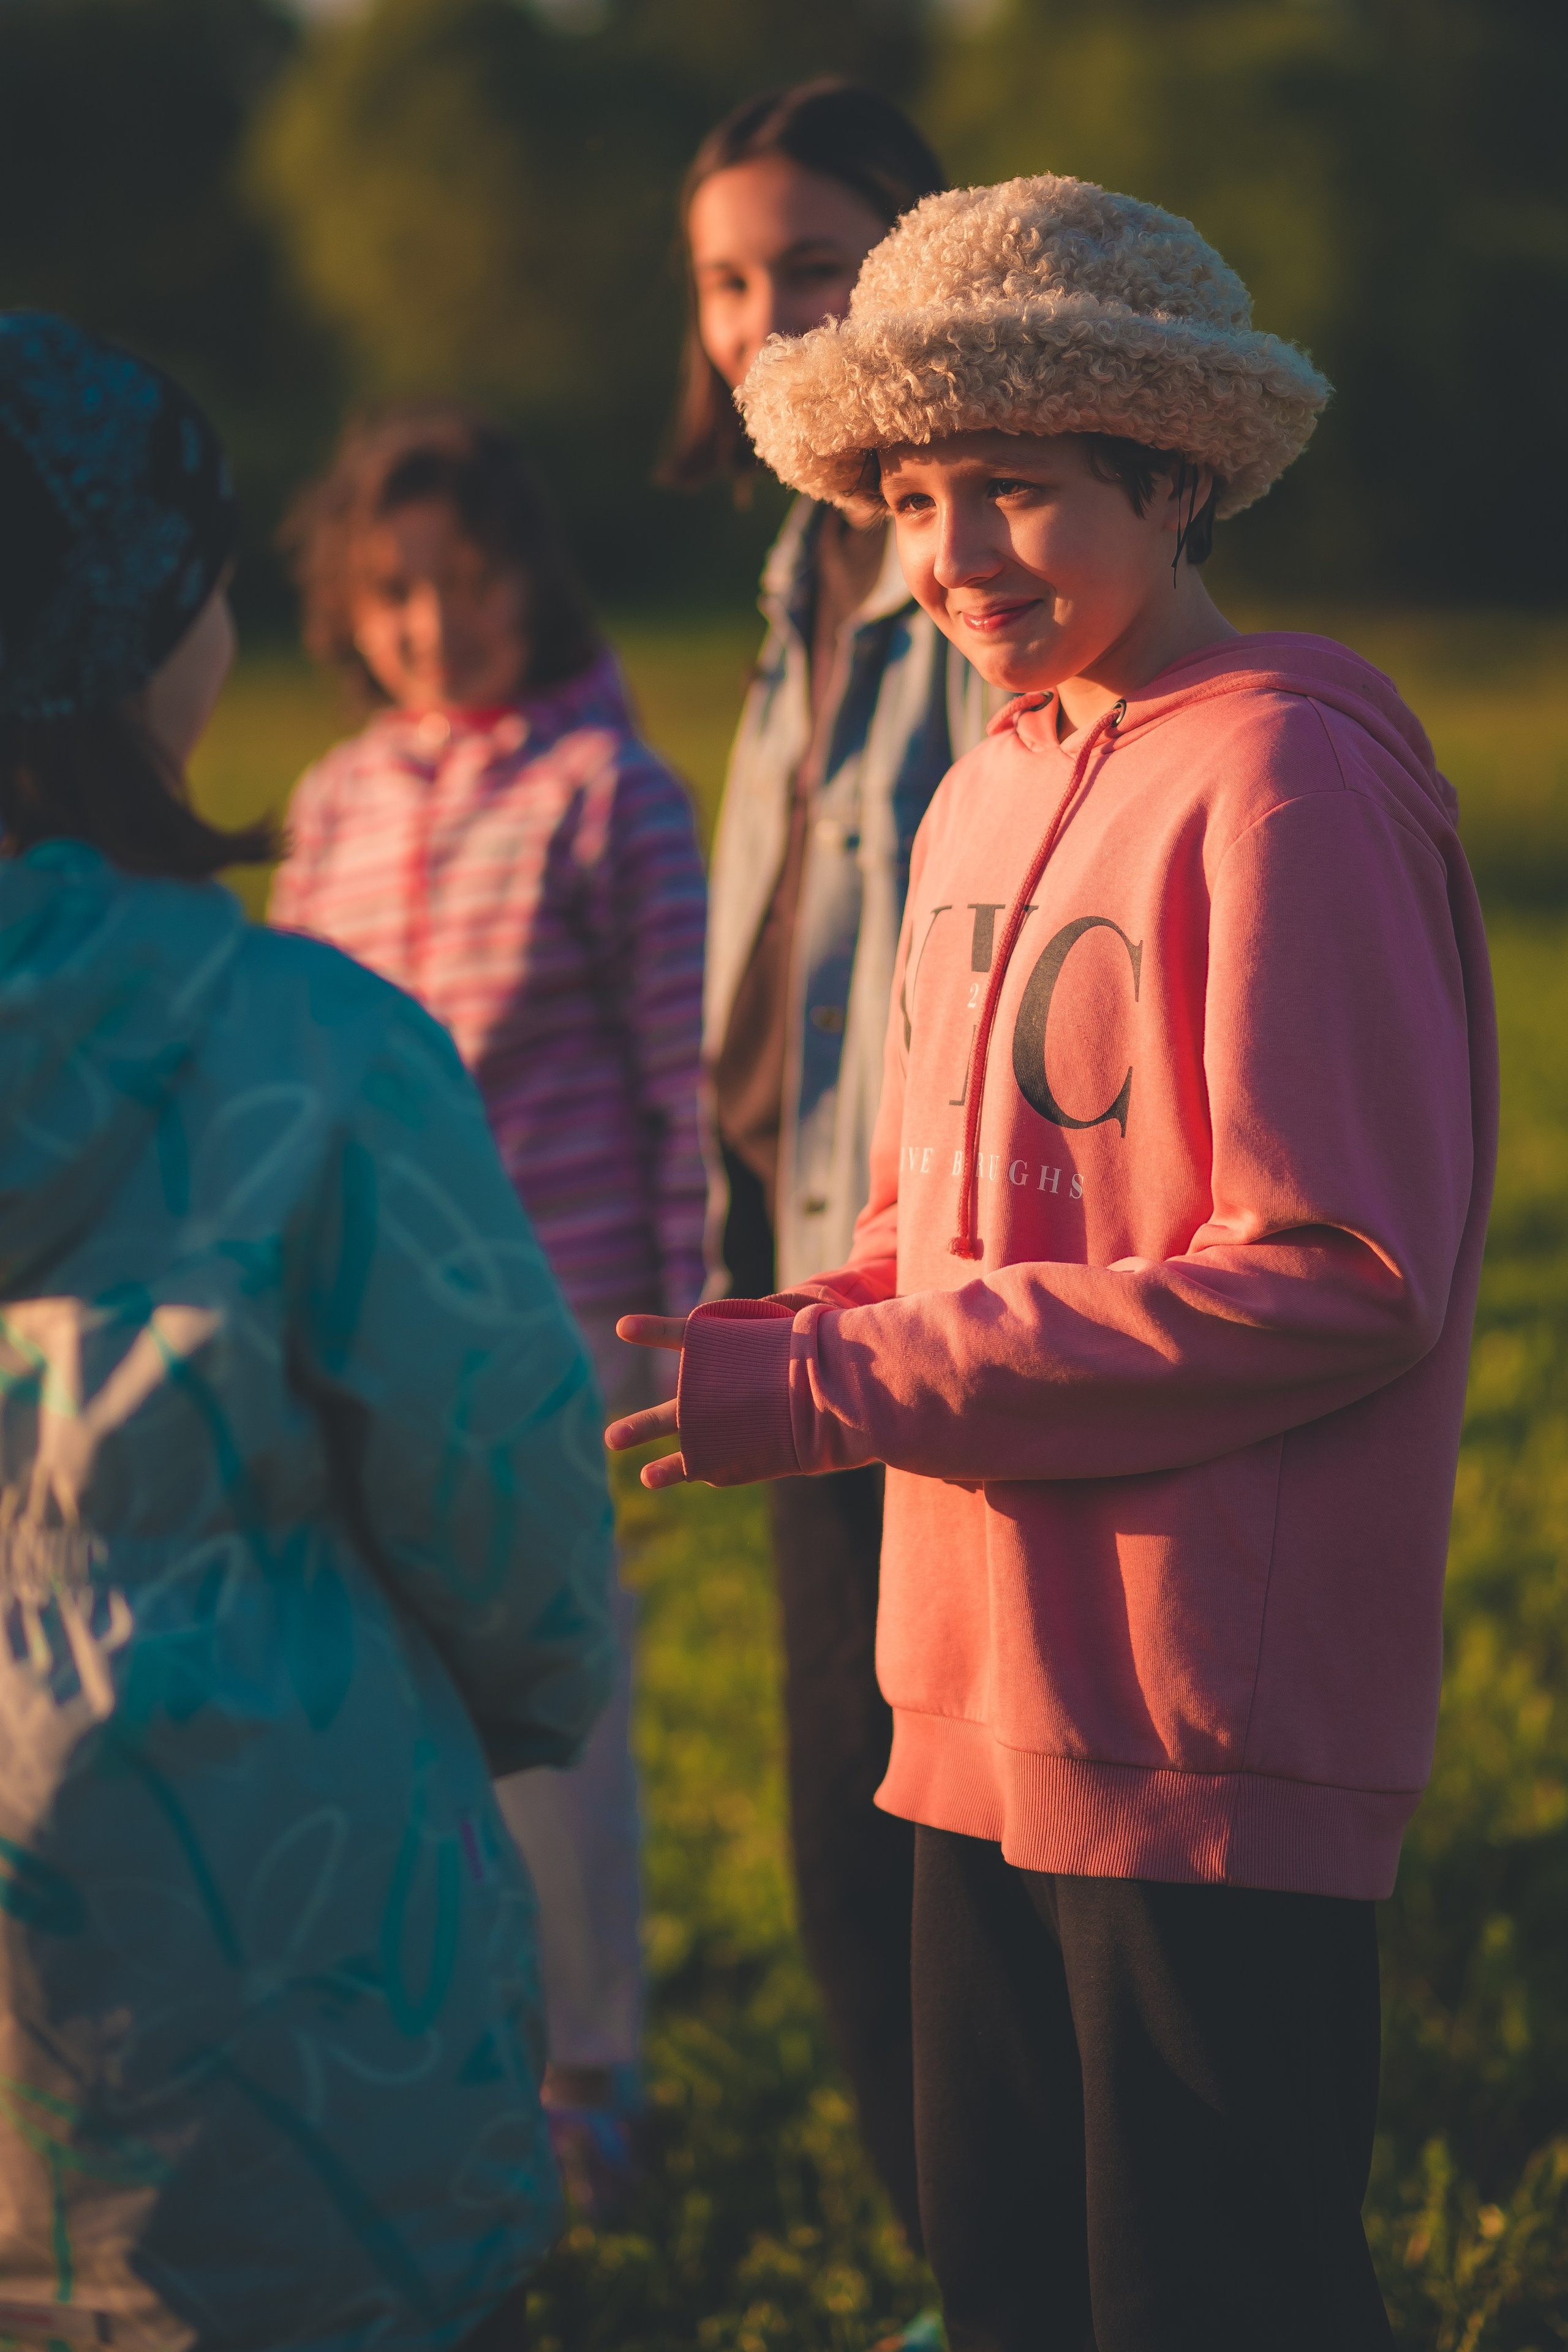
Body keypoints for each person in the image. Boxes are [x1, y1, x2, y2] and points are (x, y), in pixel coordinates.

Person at [611, 175, 1499, 2351]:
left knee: (1206, 2289)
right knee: (1008, 2269)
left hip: (1195, 1722)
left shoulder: (1288, 774)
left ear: (1176, 472)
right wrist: (772, 1339)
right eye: (912, 496)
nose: (951, 557)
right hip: (970, 1697)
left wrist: (840, 1389)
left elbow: (1340, 1270)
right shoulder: (982, 791)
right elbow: (936, 1242)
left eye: (1014, 488)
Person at [0, 312, 615, 2350]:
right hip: (291, 1998)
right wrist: (529, 1707)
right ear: (126, 637)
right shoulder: (308, 1042)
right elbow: (507, 1513)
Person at [269, 403, 706, 2214]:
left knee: (548, 1711)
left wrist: (699, 1323)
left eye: (468, 582)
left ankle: (586, 2071)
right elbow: (281, 1067)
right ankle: (421, 2047)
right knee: (375, 1704)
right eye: (393, 593)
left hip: (560, 1324)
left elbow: (682, 1076)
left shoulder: (613, 794)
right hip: (356, 1331)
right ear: (346, 610)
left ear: (537, 575)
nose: (433, 625)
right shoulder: (333, 802)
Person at [660, 78, 992, 2248]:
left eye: (814, 263)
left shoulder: (985, 561)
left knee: (976, 1883)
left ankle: (1038, 2272)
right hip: (797, 1302)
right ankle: (971, 2268)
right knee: (845, 1864)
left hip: (955, 1314)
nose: (762, 314)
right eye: (722, 276)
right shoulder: (797, 574)